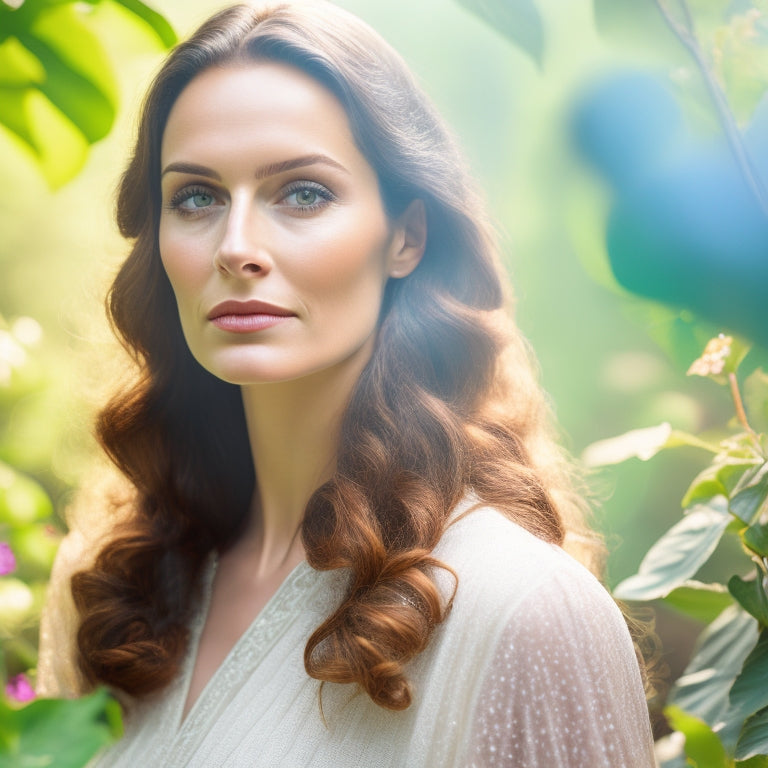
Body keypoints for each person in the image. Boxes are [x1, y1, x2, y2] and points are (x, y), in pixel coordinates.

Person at [37, 1, 658, 765]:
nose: (236, 248)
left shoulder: (523, 611)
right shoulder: (105, 590)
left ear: (406, 237)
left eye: (302, 193)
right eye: (195, 196)